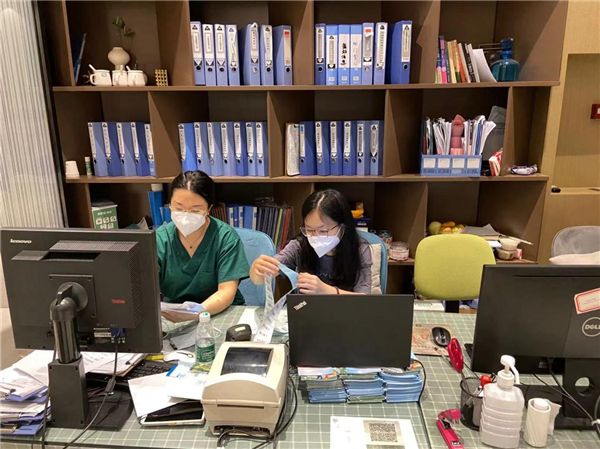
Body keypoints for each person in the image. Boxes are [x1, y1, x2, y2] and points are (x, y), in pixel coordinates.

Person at [157, 171, 250, 322]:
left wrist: (194, 313)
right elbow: (144, 287)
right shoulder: (160, 240)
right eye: (179, 208)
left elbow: (226, 292)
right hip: (173, 316)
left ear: (209, 208)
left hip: (222, 312)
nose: (186, 216)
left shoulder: (225, 237)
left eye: (195, 210)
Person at [250, 189, 372, 294]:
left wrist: (325, 290)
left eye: (323, 231)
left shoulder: (360, 249)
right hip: (305, 309)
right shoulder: (299, 246)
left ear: (343, 227)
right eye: (309, 230)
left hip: (344, 311)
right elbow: (264, 276)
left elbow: (364, 300)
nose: (315, 236)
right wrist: (257, 272)